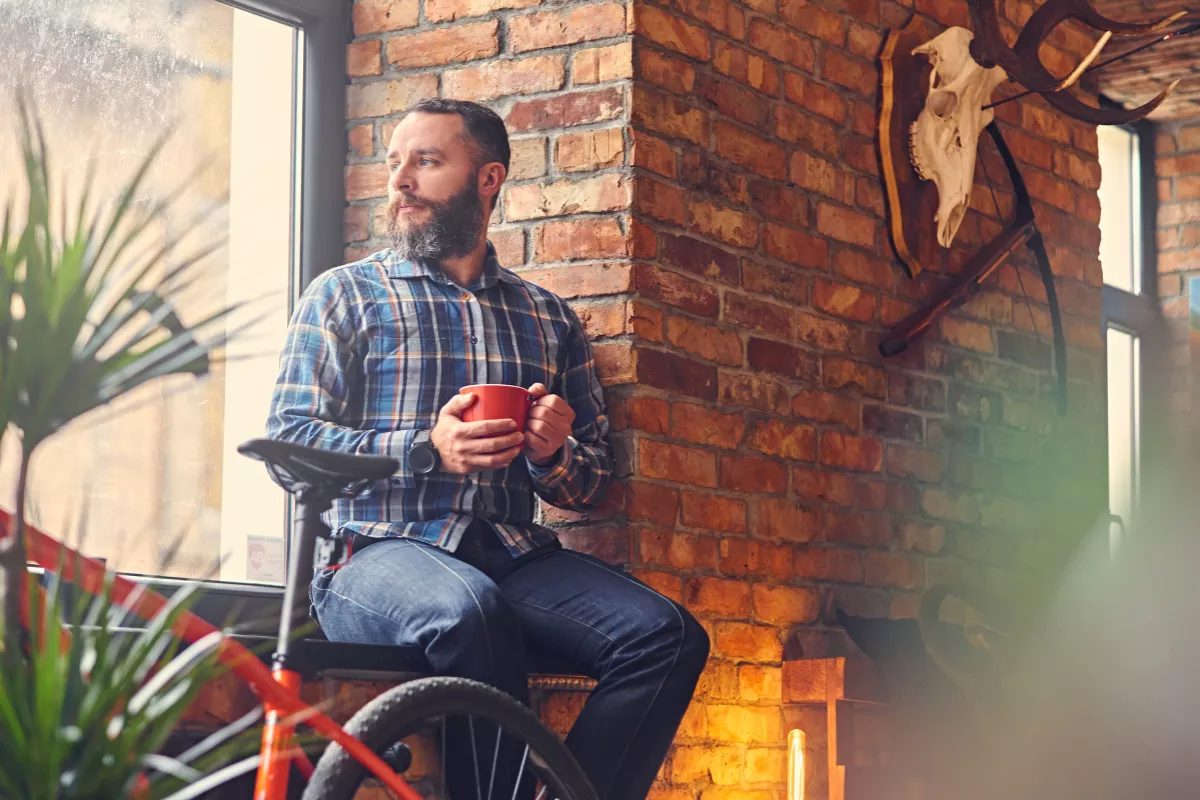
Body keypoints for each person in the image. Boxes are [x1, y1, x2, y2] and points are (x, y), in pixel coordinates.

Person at [265, 98, 709, 800]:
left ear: (488, 178)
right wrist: (425, 450)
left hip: (511, 555)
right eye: (394, 164)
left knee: (668, 637)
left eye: (427, 162)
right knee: (469, 611)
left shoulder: (547, 318)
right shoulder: (344, 297)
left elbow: (589, 488)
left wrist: (550, 452)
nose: (400, 181)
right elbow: (289, 442)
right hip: (375, 555)